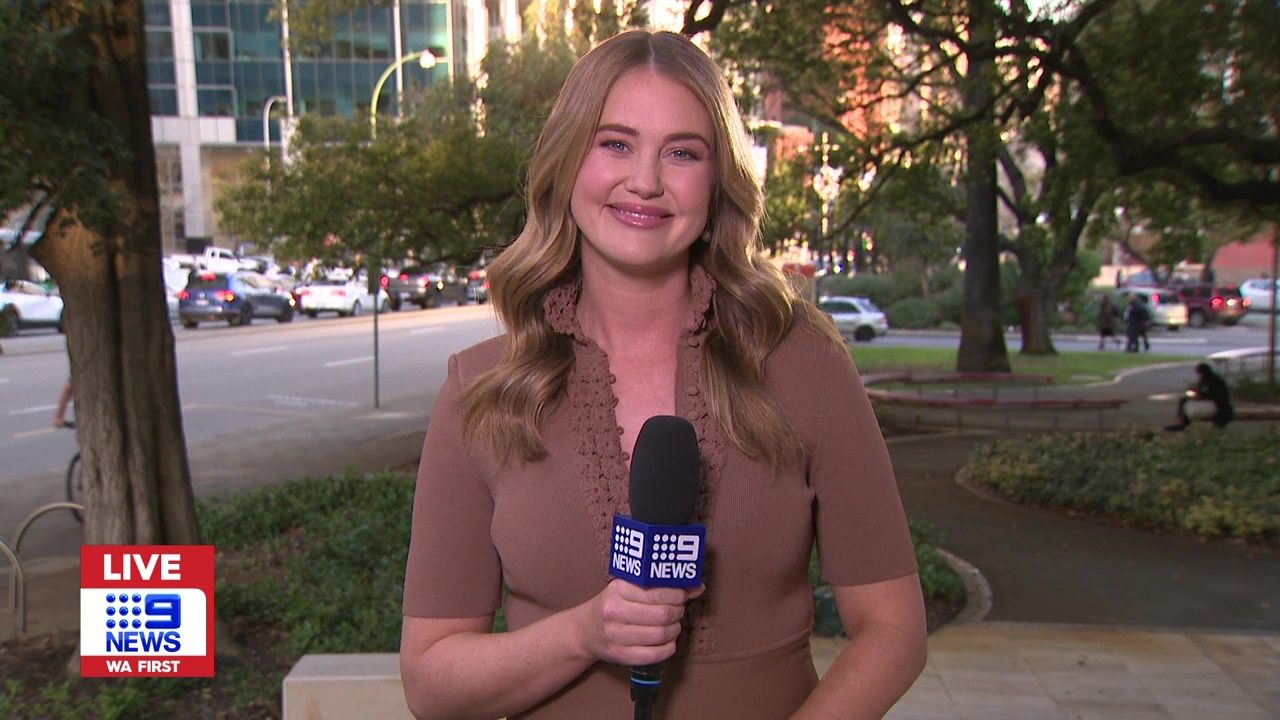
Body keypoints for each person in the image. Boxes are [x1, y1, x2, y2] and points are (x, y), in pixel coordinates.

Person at [399, 30, 926, 720]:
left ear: (718, 181)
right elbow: (431, 683)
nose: (645, 181)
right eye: (615, 143)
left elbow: (893, 631)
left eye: (683, 152)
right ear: (566, 162)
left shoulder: (804, 363)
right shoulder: (479, 391)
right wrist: (583, 633)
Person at [1168, 362, 1234, 430]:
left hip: (1219, 406)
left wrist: (1198, 396)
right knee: (1183, 400)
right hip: (1212, 402)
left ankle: (1183, 423)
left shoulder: (1214, 381)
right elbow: (1197, 390)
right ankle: (1182, 422)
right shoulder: (1207, 380)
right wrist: (1193, 393)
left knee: (1184, 400)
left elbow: (1213, 395)